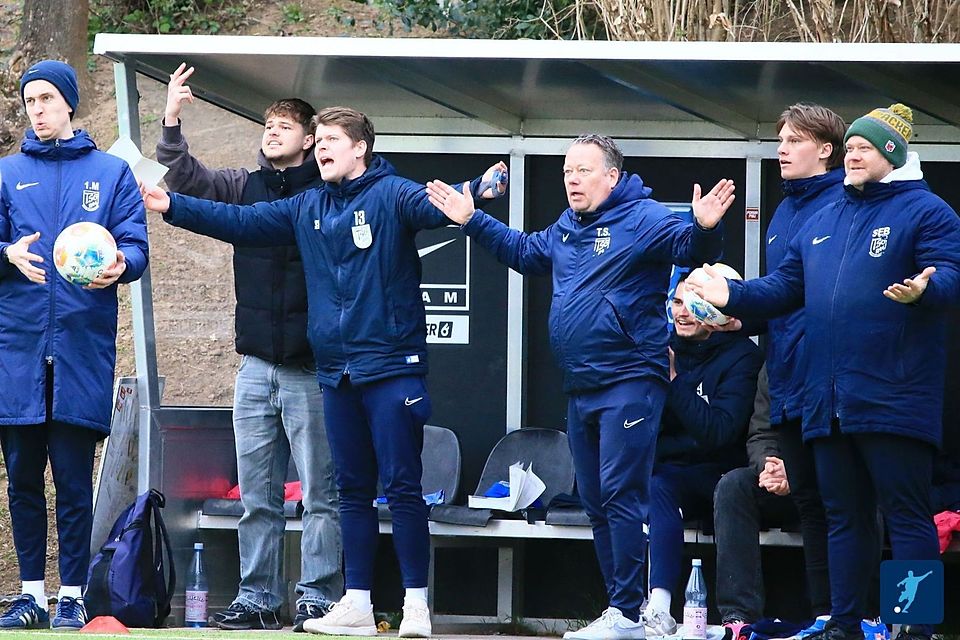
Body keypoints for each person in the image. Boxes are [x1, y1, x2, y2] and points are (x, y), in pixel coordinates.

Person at [142, 106, 504, 638]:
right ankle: (355, 601)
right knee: (351, 491)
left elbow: (439, 202)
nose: (324, 148)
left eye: (334, 140)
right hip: (336, 374)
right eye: (322, 142)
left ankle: (416, 605)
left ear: (360, 148)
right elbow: (241, 222)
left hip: (391, 370)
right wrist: (173, 204)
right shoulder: (306, 205)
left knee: (401, 488)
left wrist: (479, 186)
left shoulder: (391, 193)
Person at [426, 134, 735, 640]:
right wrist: (472, 219)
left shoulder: (644, 217)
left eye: (583, 170)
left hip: (630, 380)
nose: (572, 179)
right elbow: (526, 252)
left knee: (620, 493)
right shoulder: (568, 226)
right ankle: (623, 612)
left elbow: (689, 247)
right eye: (568, 170)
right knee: (593, 499)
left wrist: (704, 228)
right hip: (582, 386)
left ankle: (628, 613)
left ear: (612, 177)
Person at [688, 104, 960, 640]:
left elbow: (951, 272)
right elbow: (784, 288)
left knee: (905, 516)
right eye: (852, 146)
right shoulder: (822, 218)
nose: (855, 155)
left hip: (895, 396)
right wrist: (732, 293)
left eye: (865, 148)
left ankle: (915, 626)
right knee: (843, 515)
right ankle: (844, 623)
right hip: (827, 400)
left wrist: (929, 289)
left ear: (892, 155)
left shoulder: (928, 212)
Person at [154, 63, 343, 632]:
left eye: (284, 125)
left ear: (309, 139)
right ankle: (257, 599)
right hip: (256, 366)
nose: (271, 131)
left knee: (320, 495)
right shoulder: (245, 186)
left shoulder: (327, 192)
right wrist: (170, 120)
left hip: (312, 368)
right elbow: (187, 181)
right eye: (266, 124)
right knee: (257, 497)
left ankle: (318, 598)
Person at [0, 59, 149, 631]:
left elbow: (136, 245)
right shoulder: (8, 174)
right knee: (21, 481)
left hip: (82, 352)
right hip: (17, 353)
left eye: (45, 99)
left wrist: (122, 263)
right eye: (29, 101)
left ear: (68, 102)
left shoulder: (109, 173)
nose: (36, 110)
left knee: (72, 482)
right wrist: (7, 254)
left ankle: (74, 595)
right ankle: (31, 595)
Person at [736, 103, 849, 639]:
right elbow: (780, 297)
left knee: (858, 506)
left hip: (839, 386)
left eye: (793, 139)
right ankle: (829, 617)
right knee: (811, 504)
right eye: (779, 138)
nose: (780, 148)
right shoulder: (784, 212)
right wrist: (730, 308)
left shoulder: (848, 205)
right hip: (788, 382)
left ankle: (889, 621)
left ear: (826, 149)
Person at [643, 273, 762, 635]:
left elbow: (719, 433)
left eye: (694, 304)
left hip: (720, 474)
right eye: (677, 303)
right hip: (671, 475)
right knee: (652, 483)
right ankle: (657, 607)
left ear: (718, 311)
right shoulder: (659, 349)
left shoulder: (743, 356)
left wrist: (675, 381)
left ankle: (904, 623)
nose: (682, 313)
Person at [713, 365, 800, 638]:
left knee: (865, 496)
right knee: (733, 486)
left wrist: (797, 473)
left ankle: (859, 617)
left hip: (829, 478)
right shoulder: (778, 363)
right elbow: (762, 432)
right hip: (780, 477)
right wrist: (769, 466)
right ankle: (739, 618)